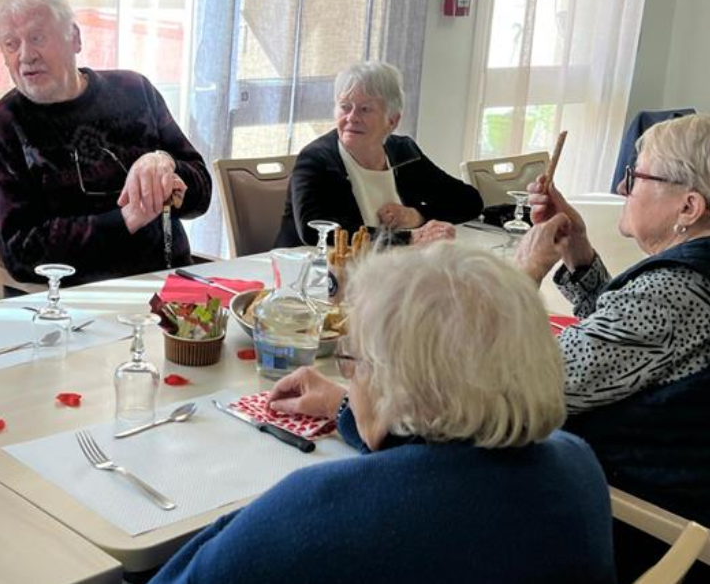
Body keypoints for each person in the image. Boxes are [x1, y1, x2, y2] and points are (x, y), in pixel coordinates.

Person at [150, 244, 615, 584]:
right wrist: (347, 408)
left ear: (400, 386)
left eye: (353, 361)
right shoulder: (576, 465)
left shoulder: (316, 515)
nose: (351, 377)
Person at [514, 113, 710, 581]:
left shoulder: (672, 293)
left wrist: (520, 279)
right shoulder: (686, 283)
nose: (623, 189)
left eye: (636, 176)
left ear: (688, 207)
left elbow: (525, 385)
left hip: (638, 526)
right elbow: (628, 346)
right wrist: (576, 250)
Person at [0, 0, 211, 288]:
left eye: (37, 38)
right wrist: (126, 219)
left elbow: (201, 196)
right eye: (11, 44)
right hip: (70, 304)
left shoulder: (135, 91)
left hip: (170, 288)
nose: (26, 55)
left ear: (74, 38)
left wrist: (165, 165)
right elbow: (21, 250)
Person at [274, 60, 482, 249]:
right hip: (317, 273)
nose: (352, 118)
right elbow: (315, 231)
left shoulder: (404, 153)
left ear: (392, 121)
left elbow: (469, 201)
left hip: (392, 268)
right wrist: (407, 238)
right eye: (345, 107)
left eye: (365, 109)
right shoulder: (316, 160)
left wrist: (416, 216)